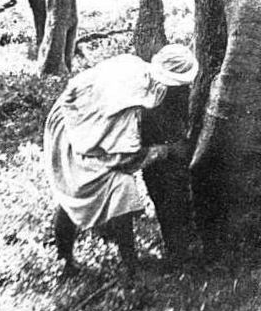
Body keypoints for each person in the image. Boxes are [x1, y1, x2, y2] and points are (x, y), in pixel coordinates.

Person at [43, 43, 198, 281]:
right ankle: (128, 266)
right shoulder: (132, 106)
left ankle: (71, 259)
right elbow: (122, 159)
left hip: (83, 121)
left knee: (79, 191)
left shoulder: (136, 65)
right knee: (115, 188)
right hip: (74, 129)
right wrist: (163, 151)